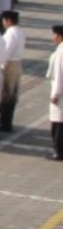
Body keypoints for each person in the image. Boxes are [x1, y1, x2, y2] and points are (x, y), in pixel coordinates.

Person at [46, 24, 63, 161]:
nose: (53, 38)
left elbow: (59, 75)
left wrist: (55, 95)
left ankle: (58, 152)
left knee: (58, 124)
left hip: (60, 93)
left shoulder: (60, 53)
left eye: (55, 35)